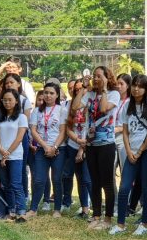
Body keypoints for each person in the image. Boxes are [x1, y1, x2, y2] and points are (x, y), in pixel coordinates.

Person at [72, 66, 120, 230]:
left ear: (107, 78)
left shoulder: (114, 94)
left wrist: (105, 89)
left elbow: (103, 108)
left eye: (99, 76)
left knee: (107, 182)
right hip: (91, 143)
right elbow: (75, 106)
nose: (96, 79)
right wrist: (84, 89)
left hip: (106, 143)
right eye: (94, 76)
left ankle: (107, 219)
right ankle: (96, 215)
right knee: (94, 182)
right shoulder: (90, 94)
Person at [110, 74, 147, 236]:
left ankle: (144, 223)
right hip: (131, 152)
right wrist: (129, 150)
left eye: (141, 86)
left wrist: (139, 151)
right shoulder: (127, 106)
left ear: (146, 89)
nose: (136, 89)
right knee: (124, 188)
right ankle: (121, 224)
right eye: (135, 85)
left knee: (146, 188)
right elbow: (124, 131)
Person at [28, 83, 67, 218]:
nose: (48, 95)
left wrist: (54, 147)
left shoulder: (62, 110)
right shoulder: (37, 111)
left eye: (51, 93)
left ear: (57, 95)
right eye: (46, 92)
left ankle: (57, 209)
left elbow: (63, 131)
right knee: (39, 179)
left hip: (58, 149)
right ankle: (33, 209)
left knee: (56, 179)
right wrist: (45, 146)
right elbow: (33, 130)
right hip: (41, 149)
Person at [0, 89, 28, 222]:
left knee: (16, 184)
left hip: (15, 156)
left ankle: (22, 211)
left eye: (10, 100)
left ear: (16, 101)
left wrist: (7, 154)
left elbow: (19, 138)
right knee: (6, 185)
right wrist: (1, 151)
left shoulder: (21, 117)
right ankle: (11, 210)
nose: (7, 103)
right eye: (4, 100)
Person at [63, 81, 92, 219]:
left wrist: (82, 148)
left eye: (83, 88)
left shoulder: (91, 103)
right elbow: (68, 128)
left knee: (87, 179)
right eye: (77, 89)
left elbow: (90, 129)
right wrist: (77, 141)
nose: (80, 91)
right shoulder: (71, 106)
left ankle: (96, 211)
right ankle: (84, 210)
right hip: (73, 145)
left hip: (87, 146)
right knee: (79, 178)